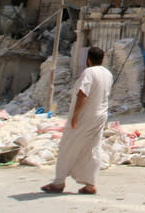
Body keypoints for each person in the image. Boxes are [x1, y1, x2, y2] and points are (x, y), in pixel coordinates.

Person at [41, 46, 113, 195]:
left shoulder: (89, 72)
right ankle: (90, 184)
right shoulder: (108, 74)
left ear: (88, 60)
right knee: (92, 148)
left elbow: (82, 94)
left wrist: (75, 116)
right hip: (100, 116)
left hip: (85, 116)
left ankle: (58, 182)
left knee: (67, 146)